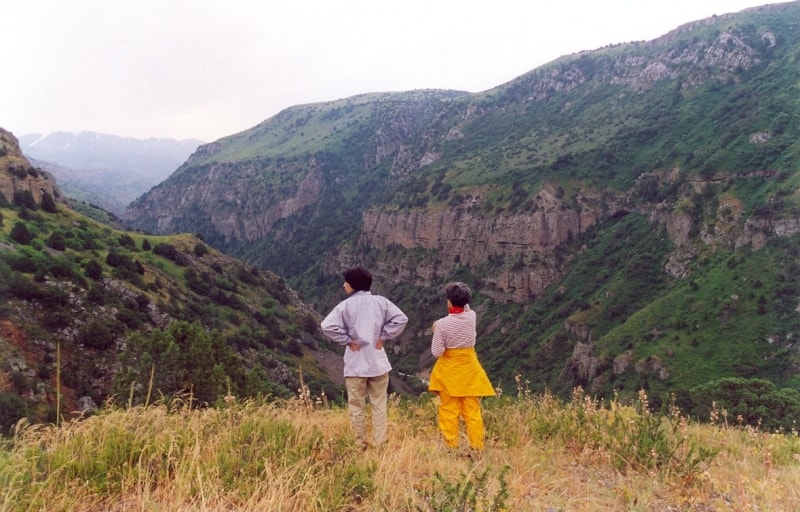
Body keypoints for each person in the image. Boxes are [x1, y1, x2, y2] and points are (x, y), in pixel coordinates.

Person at [320, 266, 408, 448]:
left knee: (356, 406)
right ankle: (380, 442)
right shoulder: (381, 302)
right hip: (378, 362)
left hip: (356, 363)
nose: (344, 285)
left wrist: (346, 340)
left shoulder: (345, 306)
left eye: (346, 282)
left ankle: (358, 443)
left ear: (353, 285)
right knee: (379, 405)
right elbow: (401, 319)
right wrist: (383, 336)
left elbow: (327, 326)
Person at [428, 282, 495, 451]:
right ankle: (477, 446)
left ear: (449, 301)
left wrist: (436, 328)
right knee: (472, 411)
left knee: (449, 411)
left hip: (449, 372)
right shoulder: (471, 316)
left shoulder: (443, 325)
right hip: (470, 370)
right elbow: (465, 308)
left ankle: (451, 446)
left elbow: (437, 352)